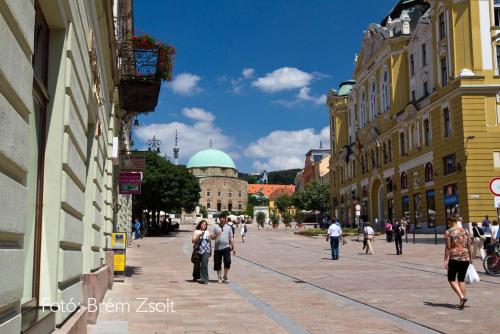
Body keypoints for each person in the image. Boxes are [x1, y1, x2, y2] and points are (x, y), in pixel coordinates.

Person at [444, 216, 472, 309]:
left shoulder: (448, 232)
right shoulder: (465, 230)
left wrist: (445, 259)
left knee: (451, 279)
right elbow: (469, 245)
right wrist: (470, 258)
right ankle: (461, 302)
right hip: (465, 258)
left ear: (450, 222)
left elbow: (448, 247)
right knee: (461, 279)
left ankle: (462, 297)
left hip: (454, 258)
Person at [212, 214, 236, 283]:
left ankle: (225, 275)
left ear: (225, 219)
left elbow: (231, 238)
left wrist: (234, 248)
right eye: (221, 218)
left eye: (223, 218)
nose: (222, 219)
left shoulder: (228, 227)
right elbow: (212, 238)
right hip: (217, 248)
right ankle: (219, 277)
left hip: (226, 247)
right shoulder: (215, 227)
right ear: (219, 219)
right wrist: (216, 234)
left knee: (228, 261)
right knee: (217, 263)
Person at [192, 220, 213, 284]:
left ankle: (205, 279)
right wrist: (199, 236)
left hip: (206, 249)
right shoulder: (196, 231)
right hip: (198, 249)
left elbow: (209, 241)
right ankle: (196, 276)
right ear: (200, 225)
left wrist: (210, 250)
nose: (204, 225)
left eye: (205, 224)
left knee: (204, 263)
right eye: (203, 224)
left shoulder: (208, 232)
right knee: (197, 264)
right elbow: (193, 241)